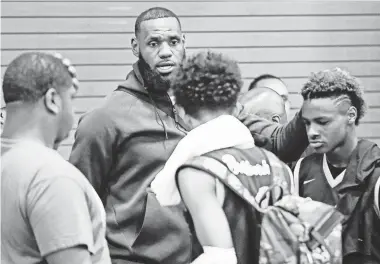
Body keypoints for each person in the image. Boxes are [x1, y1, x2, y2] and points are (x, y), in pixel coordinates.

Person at [69, 7, 308, 263]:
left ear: (184, 42)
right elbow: (77, 202)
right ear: (135, 46)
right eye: (153, 43)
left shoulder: (215, 109)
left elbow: (280, 142)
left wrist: (312, 103)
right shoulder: (106, 118)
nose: (165, 51)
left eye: (173, 41)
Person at [165, 51, 293, 264]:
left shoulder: (196, 173)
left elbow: (219, 258)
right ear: (236, 108)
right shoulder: (280, 168)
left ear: (180, 111)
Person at [1, 52, 111, 264]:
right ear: (52, 100)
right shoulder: (52, 178)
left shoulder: (10, 162)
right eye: (71, 99)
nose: (73, 111)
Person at [293, 68, 380, 264]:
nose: (312, 132)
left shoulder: (376, 173)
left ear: (351, 115)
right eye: (307, 123)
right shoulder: (302, 170)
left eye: (322, 122)